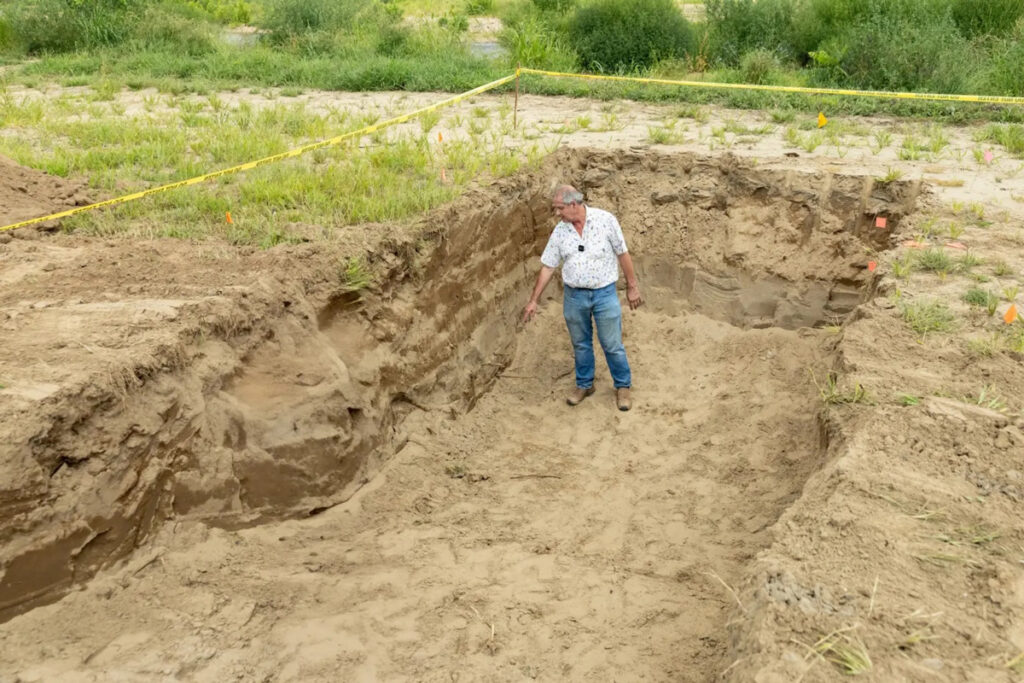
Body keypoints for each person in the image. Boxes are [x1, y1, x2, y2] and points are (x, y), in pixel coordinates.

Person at [522, 185, 643, 411]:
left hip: (604, 293)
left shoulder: (605, 220)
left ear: (573, 204)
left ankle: (622, 386)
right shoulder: (560, 231)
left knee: (612, 343)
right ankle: (585, 384)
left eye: (559, 208)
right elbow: (548, 266)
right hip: (574, 296)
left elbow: (622, 253)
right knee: (580, 344)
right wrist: (533, 300)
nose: (557, 213)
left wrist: (632, 286)